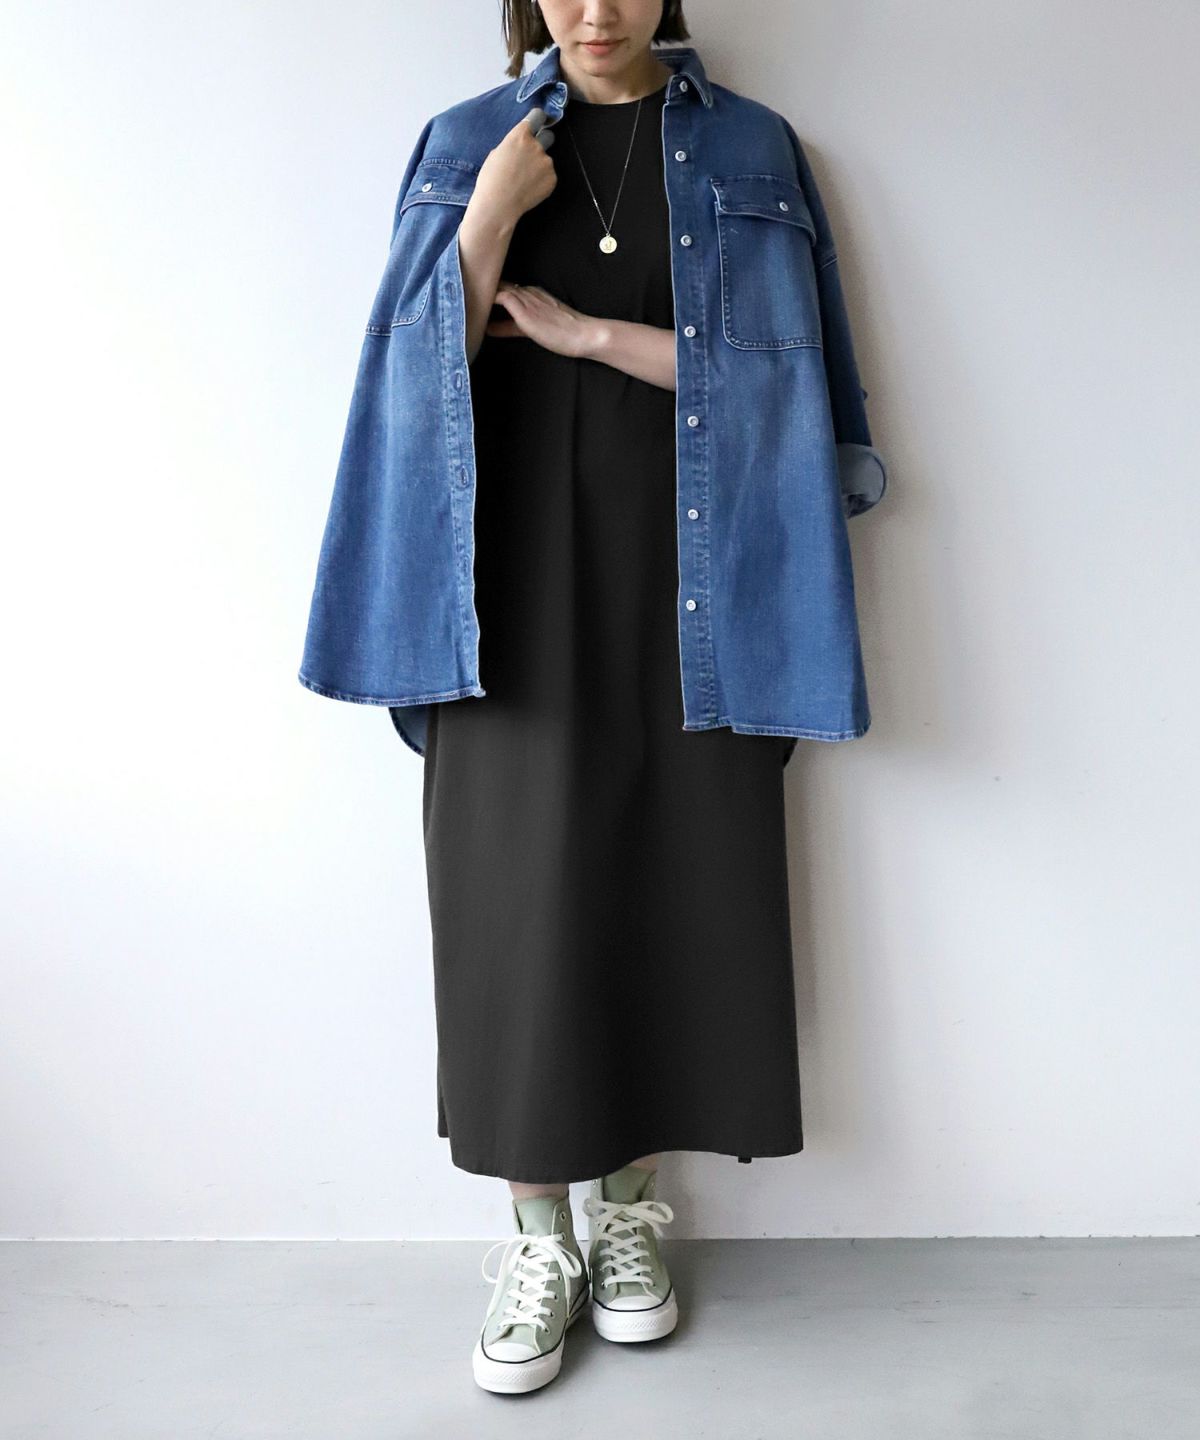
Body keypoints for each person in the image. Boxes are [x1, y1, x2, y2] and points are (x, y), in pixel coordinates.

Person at [300, 0, 887, 1397]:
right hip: (504, 580)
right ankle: (536, 1240)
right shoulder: (465, 144)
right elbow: (404, 381)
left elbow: (786, 391)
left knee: (672, 877)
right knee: (517, 894)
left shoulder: (751, 150)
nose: (595, 9)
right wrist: (487, 218)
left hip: (699, 578)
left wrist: (584, 338)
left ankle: (626, 1221)